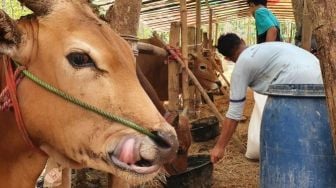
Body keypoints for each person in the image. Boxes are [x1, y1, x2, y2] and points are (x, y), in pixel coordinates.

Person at [210, 33, 322, 163]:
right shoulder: (267, 48)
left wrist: (219, 147)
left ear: (227, 58)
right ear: (242, 40)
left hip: (296, 87)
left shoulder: (242, 65)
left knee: (293, 147)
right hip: (320, 75)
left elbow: (234, 113)